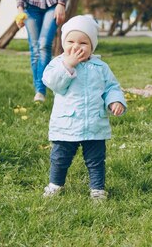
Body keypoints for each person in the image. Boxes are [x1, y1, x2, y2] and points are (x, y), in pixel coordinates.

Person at [41, 15, 127, 200]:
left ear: (92, 46)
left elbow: (111, 87)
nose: (76, 47)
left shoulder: (100, 67)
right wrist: (68, 65)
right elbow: (53, 83)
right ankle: (55, 184)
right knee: (60, 158)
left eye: (83, 43)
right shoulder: (58, 63)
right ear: (64, 43)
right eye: (70, 41)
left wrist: (114, 101)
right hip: (66, 124)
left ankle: (97, 189)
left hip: (94, 123)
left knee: (96, 160)